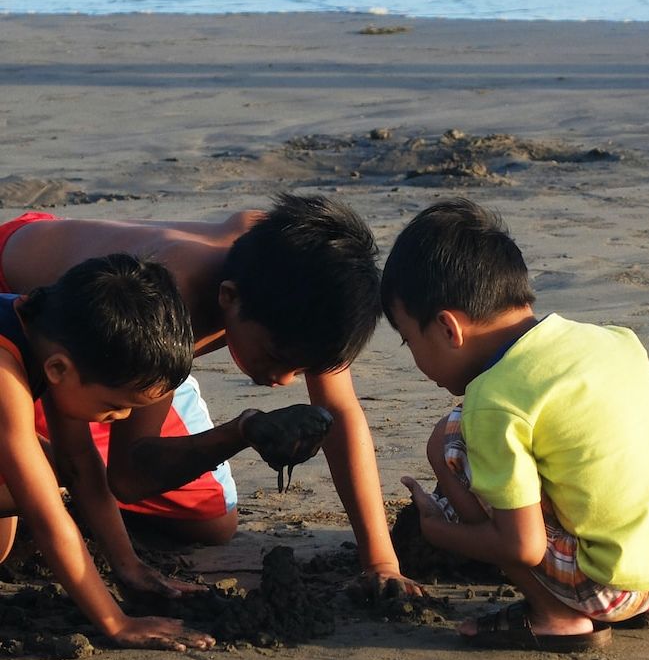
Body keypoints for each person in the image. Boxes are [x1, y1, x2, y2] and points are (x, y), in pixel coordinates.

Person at [0, 195, 418, 592]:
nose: (285, 379)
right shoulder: (174, 295)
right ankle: (44, 497)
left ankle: (69, 499)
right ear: (228, 298)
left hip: (126, 358)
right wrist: (241, 432)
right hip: (43, 339)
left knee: (211, 522)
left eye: (303, 368)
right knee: (51, 481)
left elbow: (339, 412)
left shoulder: (301, 274)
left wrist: (380, 561)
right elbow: (127, 477)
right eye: (275, 357)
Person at [381, 198, 649, 652]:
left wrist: (437, 531)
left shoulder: (492, 399)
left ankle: (556, 616)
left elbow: (522, 547)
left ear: (448, 329)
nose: (414, 358)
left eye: (409, 340)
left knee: (448, 441)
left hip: (612, 587)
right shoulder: (609, 339)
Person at [0, 253, 215, 651]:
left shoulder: (50, 329)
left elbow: (79, 462)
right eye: (115, 405)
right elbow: (45, 516)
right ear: (58, 371)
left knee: (44, 478)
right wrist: (115, 622)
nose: (121, 417)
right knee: (30, 489)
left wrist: (127, 565)